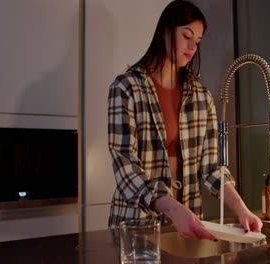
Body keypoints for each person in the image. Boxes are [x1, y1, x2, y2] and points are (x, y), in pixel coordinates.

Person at [107, 0, 262, 240]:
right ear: (165, 31)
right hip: (136, 226)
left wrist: (241, 209)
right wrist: (172, 208)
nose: (192, 46)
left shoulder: (201, 96)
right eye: (187, 36)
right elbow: (126, 165)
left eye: (198, 41)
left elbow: (212, 169)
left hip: (185, 228)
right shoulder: (127, 87)